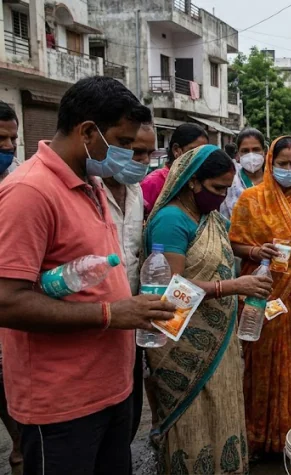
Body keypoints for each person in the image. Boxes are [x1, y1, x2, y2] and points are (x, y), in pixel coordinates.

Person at [0, 76, 177, 474]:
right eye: (124, 141)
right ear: (87, 132)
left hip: (111, 392)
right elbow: (6, 300)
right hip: (61, 405)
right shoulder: (29, 191)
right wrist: (111, 315)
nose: (130, 153)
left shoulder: (92, 183)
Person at [144, 145, 272, 474]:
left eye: (227, 189)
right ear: (192, 182)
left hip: (218, 336)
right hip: (183, 344)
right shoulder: (171, 221)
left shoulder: (209, 217)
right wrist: (232, 287)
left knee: (222, 409)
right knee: (195, 419)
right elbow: (170, 292)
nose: (221, 196)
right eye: (217, 189)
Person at [228, 136, 291, 457]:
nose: (288, 170)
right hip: (261, 297)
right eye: (282, 164)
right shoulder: (250, 200)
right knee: (258, 368)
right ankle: (257, 439)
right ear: (271, 163)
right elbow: (234, 244)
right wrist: (257, 250)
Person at [97, 122, 154, 442]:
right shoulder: (88, 187)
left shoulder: (136, 193)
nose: (143, 160)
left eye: (149, 153)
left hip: (131, 322)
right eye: (135, 152)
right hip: (94, 320)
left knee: (127, 415)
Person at [0, 100, 22, 472]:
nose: (7, 146)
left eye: (12, 138)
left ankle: (20, 446)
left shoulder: (17, 183)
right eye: (0, 138)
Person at [142, 123, 208, 214]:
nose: (200, 158)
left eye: (203, 153)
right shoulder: (154, 181)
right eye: (194, 152)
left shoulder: (197, 181)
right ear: (176, 150)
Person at [221, 128, 267, 219]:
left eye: (256, 150)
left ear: (264, 152)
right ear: (238, 154)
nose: (251, 155)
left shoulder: (274, 180)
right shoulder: (230, 183)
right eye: (245, 151)